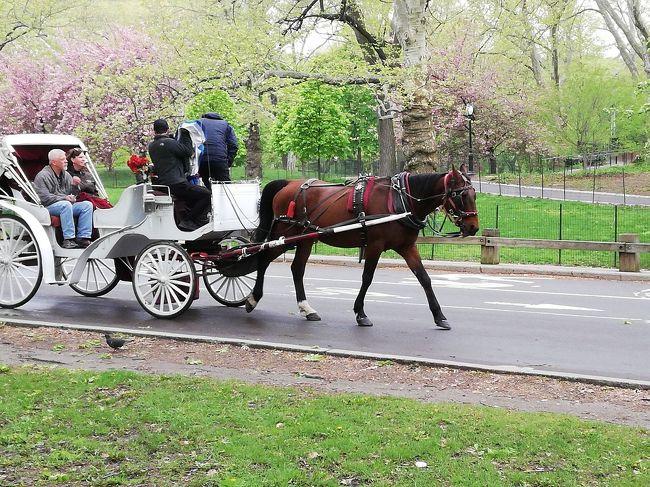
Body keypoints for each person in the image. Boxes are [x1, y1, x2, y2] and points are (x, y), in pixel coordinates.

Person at [147, 118, 212, 231]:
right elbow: (188, 151)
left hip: (165, 183)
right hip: (177, 183)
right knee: (206, 194)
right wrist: (185, 134)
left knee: (195, 196)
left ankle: (191, 221)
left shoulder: (152, 146)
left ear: (154, 131)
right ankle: (189, 221)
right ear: (167, 130)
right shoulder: (170, 143)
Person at [33, 149, 93, 249]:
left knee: (87, 205)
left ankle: (83, 237)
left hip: (65, 205)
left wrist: (74, 188)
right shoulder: (42, 176)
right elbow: (44, 198)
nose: (66, 161)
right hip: (47, 207)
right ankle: (68, 239)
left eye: (65, 158)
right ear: (54, 162)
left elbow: (73, 194)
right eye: (62, 159)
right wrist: (64, 198)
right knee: (65, 205)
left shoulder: (66, 175)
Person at [197, 112, 238, 187]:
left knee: (207, 184)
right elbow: (233, 145)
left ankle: (210, 195)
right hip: (220, 159)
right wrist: (228, 162)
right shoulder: (225, 125)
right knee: (225, 186)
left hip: (202, 159)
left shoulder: (197, 123)